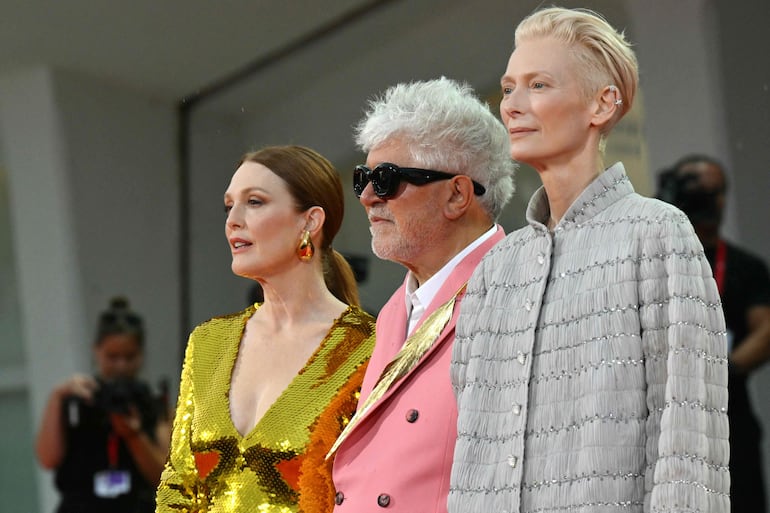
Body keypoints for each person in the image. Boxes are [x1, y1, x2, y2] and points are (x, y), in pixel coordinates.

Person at [450, 7, 730, 513]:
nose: (511, 105)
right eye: (508, 87)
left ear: (602, 104)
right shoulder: (495, 270)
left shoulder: (658, 233)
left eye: (538, 85)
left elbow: (690, 430)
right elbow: (471, 452)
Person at [328, 77, 516, 512]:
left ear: (456, 194)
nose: (369, 197)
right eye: (363, 179)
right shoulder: (394, 310)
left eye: (388, 179)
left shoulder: (518, 289)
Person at [155, 145, 375, 513]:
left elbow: (372, 491)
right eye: (229, 206)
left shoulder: (368, 345)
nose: (233, 221)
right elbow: (178, 487)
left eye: (254, 202)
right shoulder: (208, 341)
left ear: (310, 222)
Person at [658, 154, 770, 512]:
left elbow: (766, 330)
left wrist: (724, 369)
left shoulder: (743, 267)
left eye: (714, 190)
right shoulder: (655, 260)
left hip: (727, 414)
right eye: (696, 188)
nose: (708, 198)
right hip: (665, 416)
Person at [36, 297, 171, 513]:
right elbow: (48, 459)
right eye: (112, 357)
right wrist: (57, 397)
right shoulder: (78, 399)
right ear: (96, 351)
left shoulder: (150, 401)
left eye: (129, 357)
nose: (121, 365)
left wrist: (134, 435)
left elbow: (166, 478)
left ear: (141, 355)